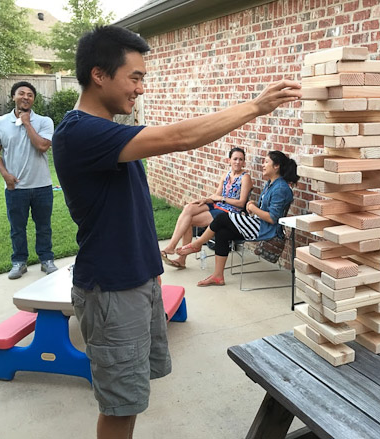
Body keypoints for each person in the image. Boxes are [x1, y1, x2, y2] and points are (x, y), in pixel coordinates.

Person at [51, 25, 300, 439]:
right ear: (99, 74)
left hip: (136, 279)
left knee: (130, 397)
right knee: (119, 405)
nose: (141, 89)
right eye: (135, 77)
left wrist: (153, 269)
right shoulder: (80, 132)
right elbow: (179, 137)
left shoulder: (108, 132)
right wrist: (255, 107)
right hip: (112, 288)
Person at [177, 150, 299, 287]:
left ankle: (197, 244)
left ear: (276, 166)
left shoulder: (281, 188)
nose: (263, 165)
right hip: (258, 224)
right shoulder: (271, 184)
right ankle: (218, 277)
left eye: (266, 162)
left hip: (266, 229)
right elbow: (264, 209)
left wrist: (253, 208)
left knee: (223, 218)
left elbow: (272, 218)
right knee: (222, 232)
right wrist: (253, 205)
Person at [0, 81, 58, 280]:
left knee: (43, 226)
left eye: (30, 94)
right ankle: (19, 262)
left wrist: (27, 122)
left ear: (33, 99)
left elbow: (43, 146)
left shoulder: (44, 121)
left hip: (42, 185)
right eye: (21, 93)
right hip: (15, 187)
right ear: (13, 97)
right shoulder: (0, 123)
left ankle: (46, 259)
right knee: (17, 228)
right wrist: (5, 174)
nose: (26, 97)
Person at [160, 147, 252, 269]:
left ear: (244, 162)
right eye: (235, 159)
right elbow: (217, 195)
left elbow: (241, 203)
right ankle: (172, 247)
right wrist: (205, 200)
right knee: (189, 208)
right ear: (229, 160)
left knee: (189, 221)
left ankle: (180, 258)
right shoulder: (226, 175)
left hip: (229, 212)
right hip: (217, 205)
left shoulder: (245, 177)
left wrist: (221, 199)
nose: (238, 162)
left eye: (241, 159)